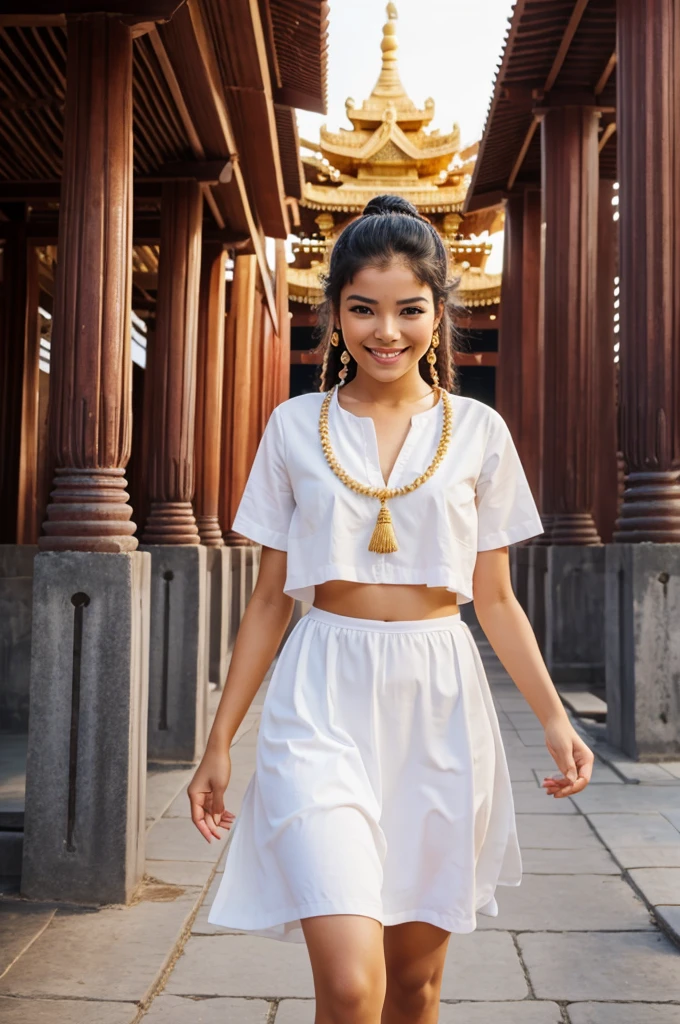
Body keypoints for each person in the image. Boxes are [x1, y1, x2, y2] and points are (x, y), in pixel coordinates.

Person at [188, 194, 594, 1024]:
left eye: (409, 310)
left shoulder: (479, 431)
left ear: (439, 313)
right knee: (348, 985)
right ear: (334, 314)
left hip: (438, 701)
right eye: (362, 308)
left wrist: (555, 720)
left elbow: (495, 598)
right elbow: (270, 599)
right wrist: (219, 742)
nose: (386, 331)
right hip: (320, 692)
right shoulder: (294, 426)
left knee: (413, 988)